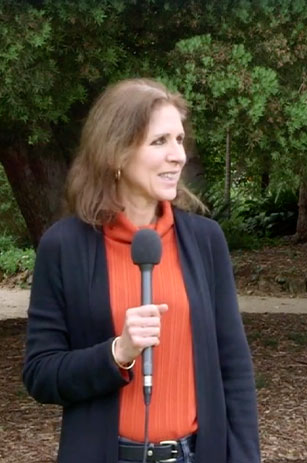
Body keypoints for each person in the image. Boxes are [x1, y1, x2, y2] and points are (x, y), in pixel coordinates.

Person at [22, 78, 262, 463]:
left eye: (179, 140)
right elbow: (40, 374)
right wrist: (117, 353)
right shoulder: (64, 246)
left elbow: (234, 369)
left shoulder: (206, 240)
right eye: (160, 141)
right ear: (116, 153)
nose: (178, 156)